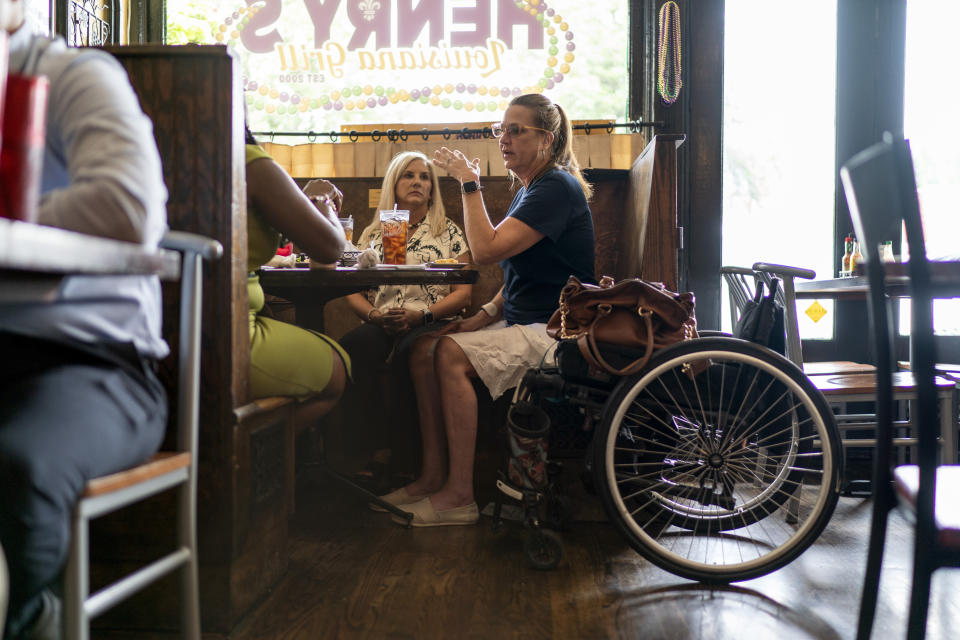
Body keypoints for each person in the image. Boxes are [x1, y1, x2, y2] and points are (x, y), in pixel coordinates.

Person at [0, 2, 169, 638]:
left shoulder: (73, 74)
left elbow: (128, 205)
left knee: (17, 468)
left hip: (91, 364)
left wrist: (19, 214)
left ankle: (28, 612)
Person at [378, 94, 596, 526]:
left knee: (449, 354)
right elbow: (521, 272)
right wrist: (483, 315)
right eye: (502, 130)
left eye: (516, 130)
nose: (505, 139)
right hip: (527, 321)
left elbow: (484, 251)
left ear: (546, 140)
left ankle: (460, 495)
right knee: (426, 347)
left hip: (555, 332)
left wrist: (469, 182)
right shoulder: (533, 188)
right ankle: (432, 477)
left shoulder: (556, 187)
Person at [337, 151, 472, 491]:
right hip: (384, 319)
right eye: (408, 176)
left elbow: (464, 293)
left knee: (409, 354)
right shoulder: (373, 233)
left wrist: (422, 315)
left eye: (424, 177)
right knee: (353, 348)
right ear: (394, 185)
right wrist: (375, 315)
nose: (417, 182)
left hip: (430, 319)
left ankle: (405, 459)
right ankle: (369, 452)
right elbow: (353, 290)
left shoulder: (448, 231)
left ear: (432, 189)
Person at [245, 127, 350, 421]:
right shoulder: (249, 162)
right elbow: (329, 247)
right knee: (336, 370)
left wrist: (301, 204)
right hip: (233, 331)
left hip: (163, 324)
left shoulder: (158, 159)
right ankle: (250, 456)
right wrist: (322, 205)